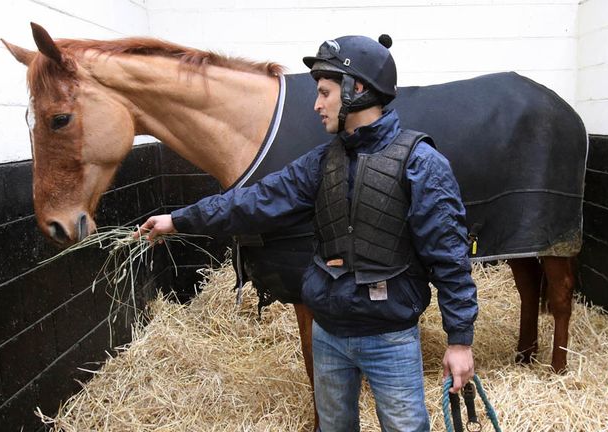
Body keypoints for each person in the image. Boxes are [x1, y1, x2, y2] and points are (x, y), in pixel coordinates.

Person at [136, 34, 478, 432]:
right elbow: (255, 200)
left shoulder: (422, 164)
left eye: (325, 93)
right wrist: (179, 220)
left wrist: (459, 341)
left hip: (390, 339)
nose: (317, 105)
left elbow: (450, 259)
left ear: (358, 89)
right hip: (328, 335)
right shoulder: (320, 163)